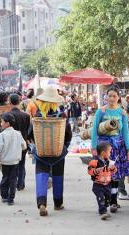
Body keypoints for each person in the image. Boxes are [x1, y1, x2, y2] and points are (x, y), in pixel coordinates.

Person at [91, 86, 129, 213]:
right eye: (109, 96)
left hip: (118, 147)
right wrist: (94, 147)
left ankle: (114, 201)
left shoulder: (122, 113)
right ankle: (105, 200)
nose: (111, 98)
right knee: (104, 174)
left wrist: (128, 148)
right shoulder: (101, 111)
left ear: (118, 97)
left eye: (114, 96)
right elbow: (94, 130)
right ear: (106, 97)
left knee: (115, 175)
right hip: (103, 147)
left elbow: (125, 132)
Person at [31, 87, 72, 216]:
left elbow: (30, 134)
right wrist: (63, 145)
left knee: (41, 176)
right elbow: (68, 135)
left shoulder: (37, 117)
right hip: (58, 153)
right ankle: (58, 203)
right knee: (58, 177)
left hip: (42, 152)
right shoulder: (62, 116)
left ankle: (42, 203)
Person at [0, 113, 27, 206]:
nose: (0, 124)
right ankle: (11, 199)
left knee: (5, 178)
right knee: (13, 179)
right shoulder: (18, 134)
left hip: (5, 162)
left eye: (2, 122)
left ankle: (4, 196)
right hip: (15, 161)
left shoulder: (2, 135)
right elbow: (24, 146)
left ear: (7, 123)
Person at [88, 142, 117, 220]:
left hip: (107, 184)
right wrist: (97, 170)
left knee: (108, 198)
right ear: (103, 152)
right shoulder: (94, 161)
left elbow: (113, 171)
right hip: (98, 185)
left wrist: (113, 168)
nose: (110, 153)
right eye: (109, 152)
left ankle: (106, 206)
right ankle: (103, 212)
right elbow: (90, 171)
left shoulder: (108, 161)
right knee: (101, 198)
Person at [9, 93, 30, 191]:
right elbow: (27, 129)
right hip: (23, 142)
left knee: (12, 164)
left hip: (11, 143)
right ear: (19, 102)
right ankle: (20, 184)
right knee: (22, 164)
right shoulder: (25, 115)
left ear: (10, 102)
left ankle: (13, 183)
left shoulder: (7, 116)